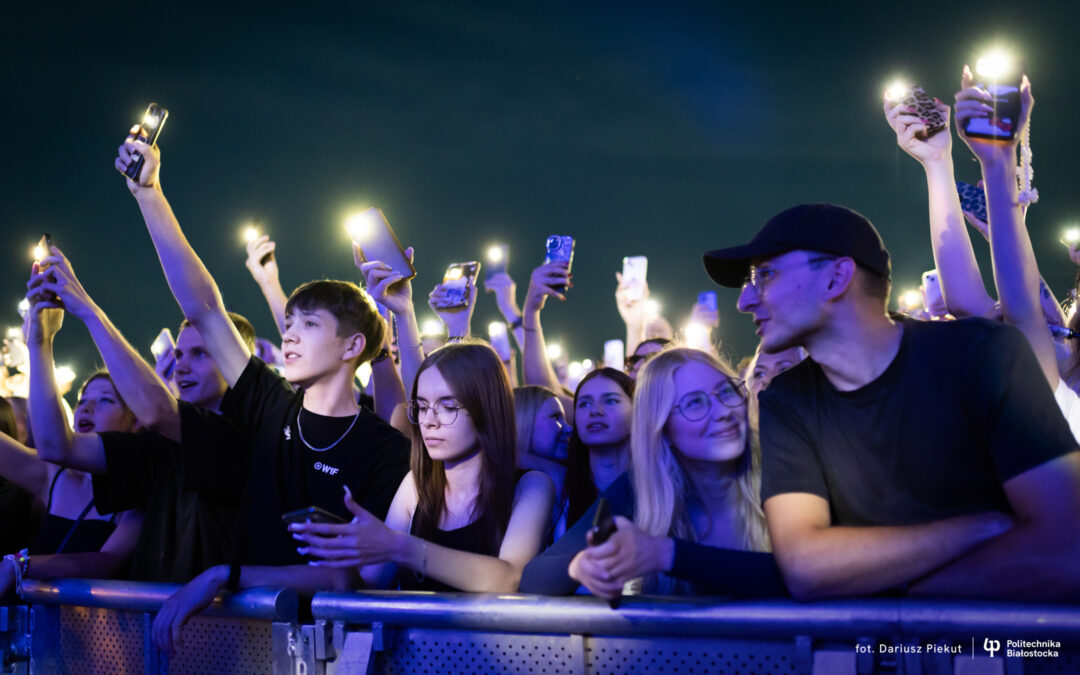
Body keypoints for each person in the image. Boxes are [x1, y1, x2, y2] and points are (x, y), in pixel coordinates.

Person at [112, 126, 410, 656]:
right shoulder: (272, 405)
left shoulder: (385, 448)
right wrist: (148, 194)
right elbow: (203, 307)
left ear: (352, 346)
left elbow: (351, 581)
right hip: (246, 646)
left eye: (308, 325)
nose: (289, 335)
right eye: (287, 323)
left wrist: (225, 575)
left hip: (335, 657)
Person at [702, 201, 1080, 601]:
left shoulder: (982, 355)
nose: (745, 301)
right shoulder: (788, 399)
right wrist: (980, 526)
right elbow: (806, 568)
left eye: (765, 275)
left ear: (836, 278)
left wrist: (883, 586)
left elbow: (1067, 551)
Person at [27, 246, 250, 583]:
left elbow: (160, 412)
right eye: (178, 353)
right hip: (163, 632)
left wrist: (89, 311)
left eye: (200, 354)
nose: (182, 365)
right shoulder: (158, 447)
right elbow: (55, 446)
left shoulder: (241, 437)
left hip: (226, 632)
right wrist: (40, 343)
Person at [520, 347, 786, 598]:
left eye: (727, 391)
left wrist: (666, 554)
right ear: (662, 428)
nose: (723, 412)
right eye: (695, 402)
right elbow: (533, 578)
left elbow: (809, 575)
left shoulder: (782, 469)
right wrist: (581, 565)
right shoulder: (639, 488)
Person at [290, 342, 555, 592]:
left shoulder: (531, 486)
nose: (429, 421)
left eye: (447, 406)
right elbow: (373, 585)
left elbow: (510, 578)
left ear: (487, 409)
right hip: (415, 642)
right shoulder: (415, 486)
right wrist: (343, 557)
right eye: (422, 406)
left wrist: (398, 546)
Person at [561, 368, 634, 528]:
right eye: (584, 404)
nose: (595, 411)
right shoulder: (559, 490)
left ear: (636, 409)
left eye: (611, 401)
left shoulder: (662, 488)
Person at [513, 385, 571, 539]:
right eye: (555, 418)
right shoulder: (505, 494)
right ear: (523, 420)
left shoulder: (578, 484)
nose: (568, 429)